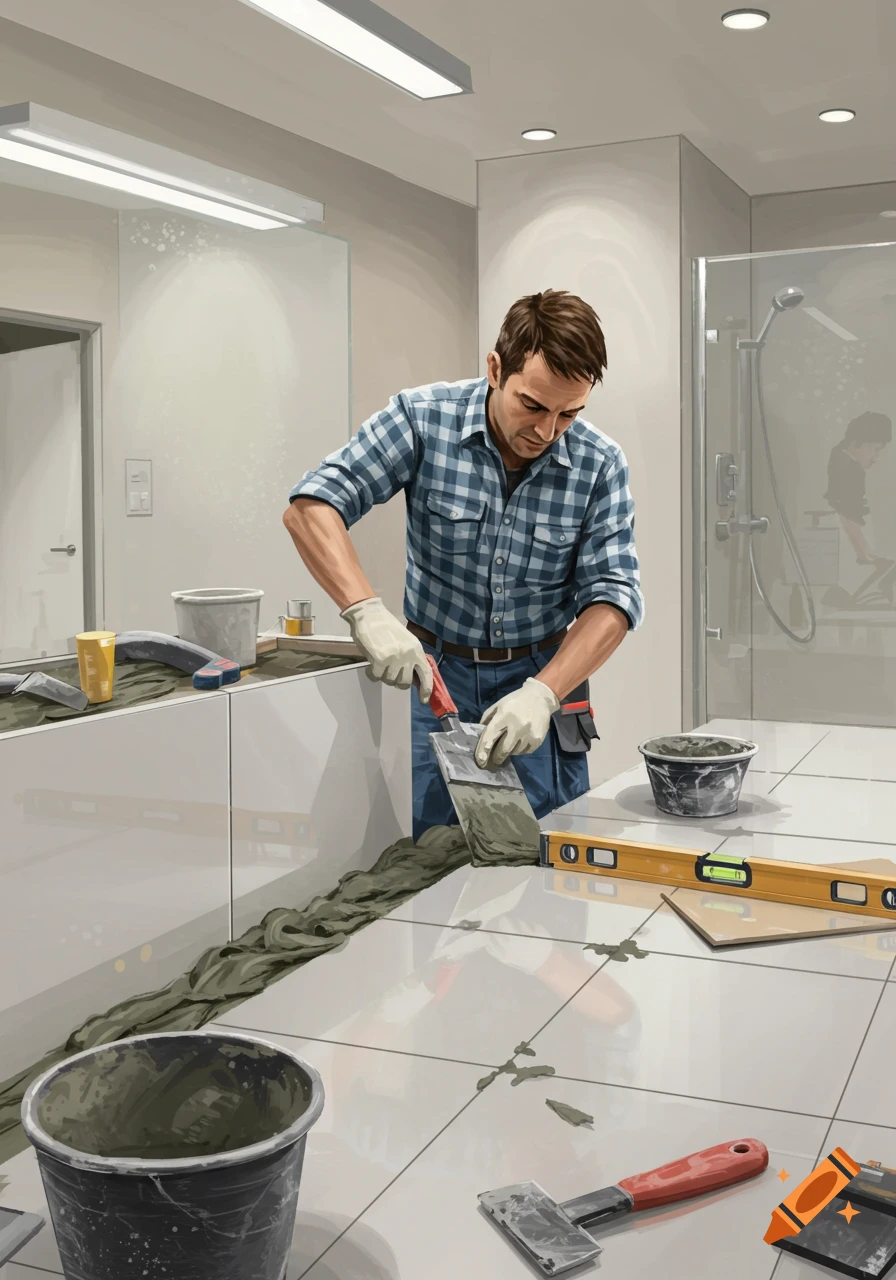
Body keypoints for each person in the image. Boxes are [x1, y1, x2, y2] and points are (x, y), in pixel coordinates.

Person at [283, 289, 644, 839]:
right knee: (425, 857)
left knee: (545, 866)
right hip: (434, 681)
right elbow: (312, 506)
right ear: (496, 369)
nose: (547, 431)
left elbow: (614, 597)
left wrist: (544, 693)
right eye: (533, 405)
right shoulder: (423, 419)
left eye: (569, 413)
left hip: (540, 679)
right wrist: (364, 611)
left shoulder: (599, 464)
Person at [824, 411, 892, 564]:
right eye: (875, 450)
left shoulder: (838, 455)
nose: (876, 459)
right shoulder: (851, 469)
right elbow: (847, 516)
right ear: (856, 443)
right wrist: (864, 554)